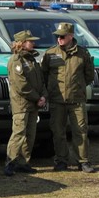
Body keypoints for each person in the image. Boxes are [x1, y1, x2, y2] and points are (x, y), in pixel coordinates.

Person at [40, 22, 96, 173]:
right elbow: (43, 75)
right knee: (58, 132)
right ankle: (61, 160)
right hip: (57, 100)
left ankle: (83, 161)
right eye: (57, 36)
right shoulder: (50, 53)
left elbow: (89, 76)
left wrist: (77, 87)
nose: (59, 39)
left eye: (62, 36)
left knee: (81, 131)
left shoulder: (82, 54)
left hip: (77, 100)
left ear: (71, 36)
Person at [4, 30, 47, 176]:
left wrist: (43, 95)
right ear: (21, 43)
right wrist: (37, 98)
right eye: (30, 41)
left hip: (33, 103)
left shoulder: (31, 59)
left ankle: (23, 162)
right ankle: (10, 162)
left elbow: (40, 80)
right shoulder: (16, 60)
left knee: (30, 134)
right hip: (22, 104)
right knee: (19, 133)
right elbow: (21, 85)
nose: (33, 43)